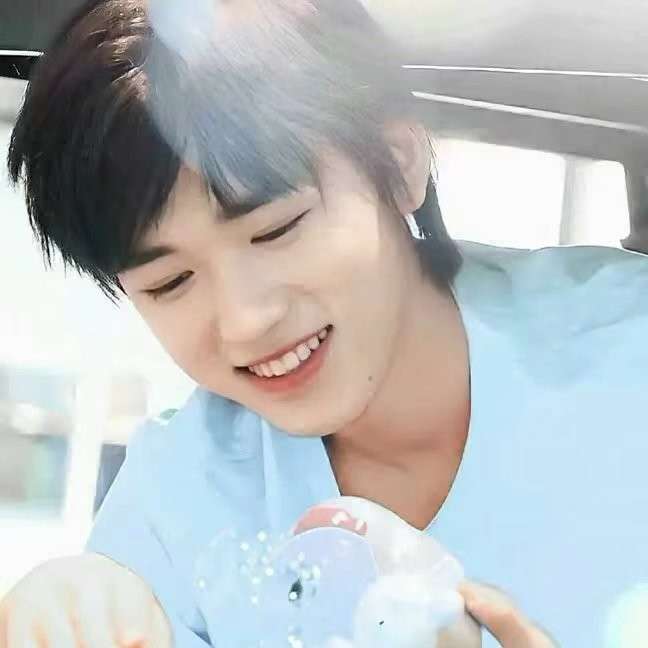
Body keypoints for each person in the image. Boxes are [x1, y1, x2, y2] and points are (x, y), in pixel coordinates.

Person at [2, 0, 647, 646]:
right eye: (170, 283)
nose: (246, 321)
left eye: (276, 229)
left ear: (399, 163)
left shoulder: (629, 352)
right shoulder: (173, 508)